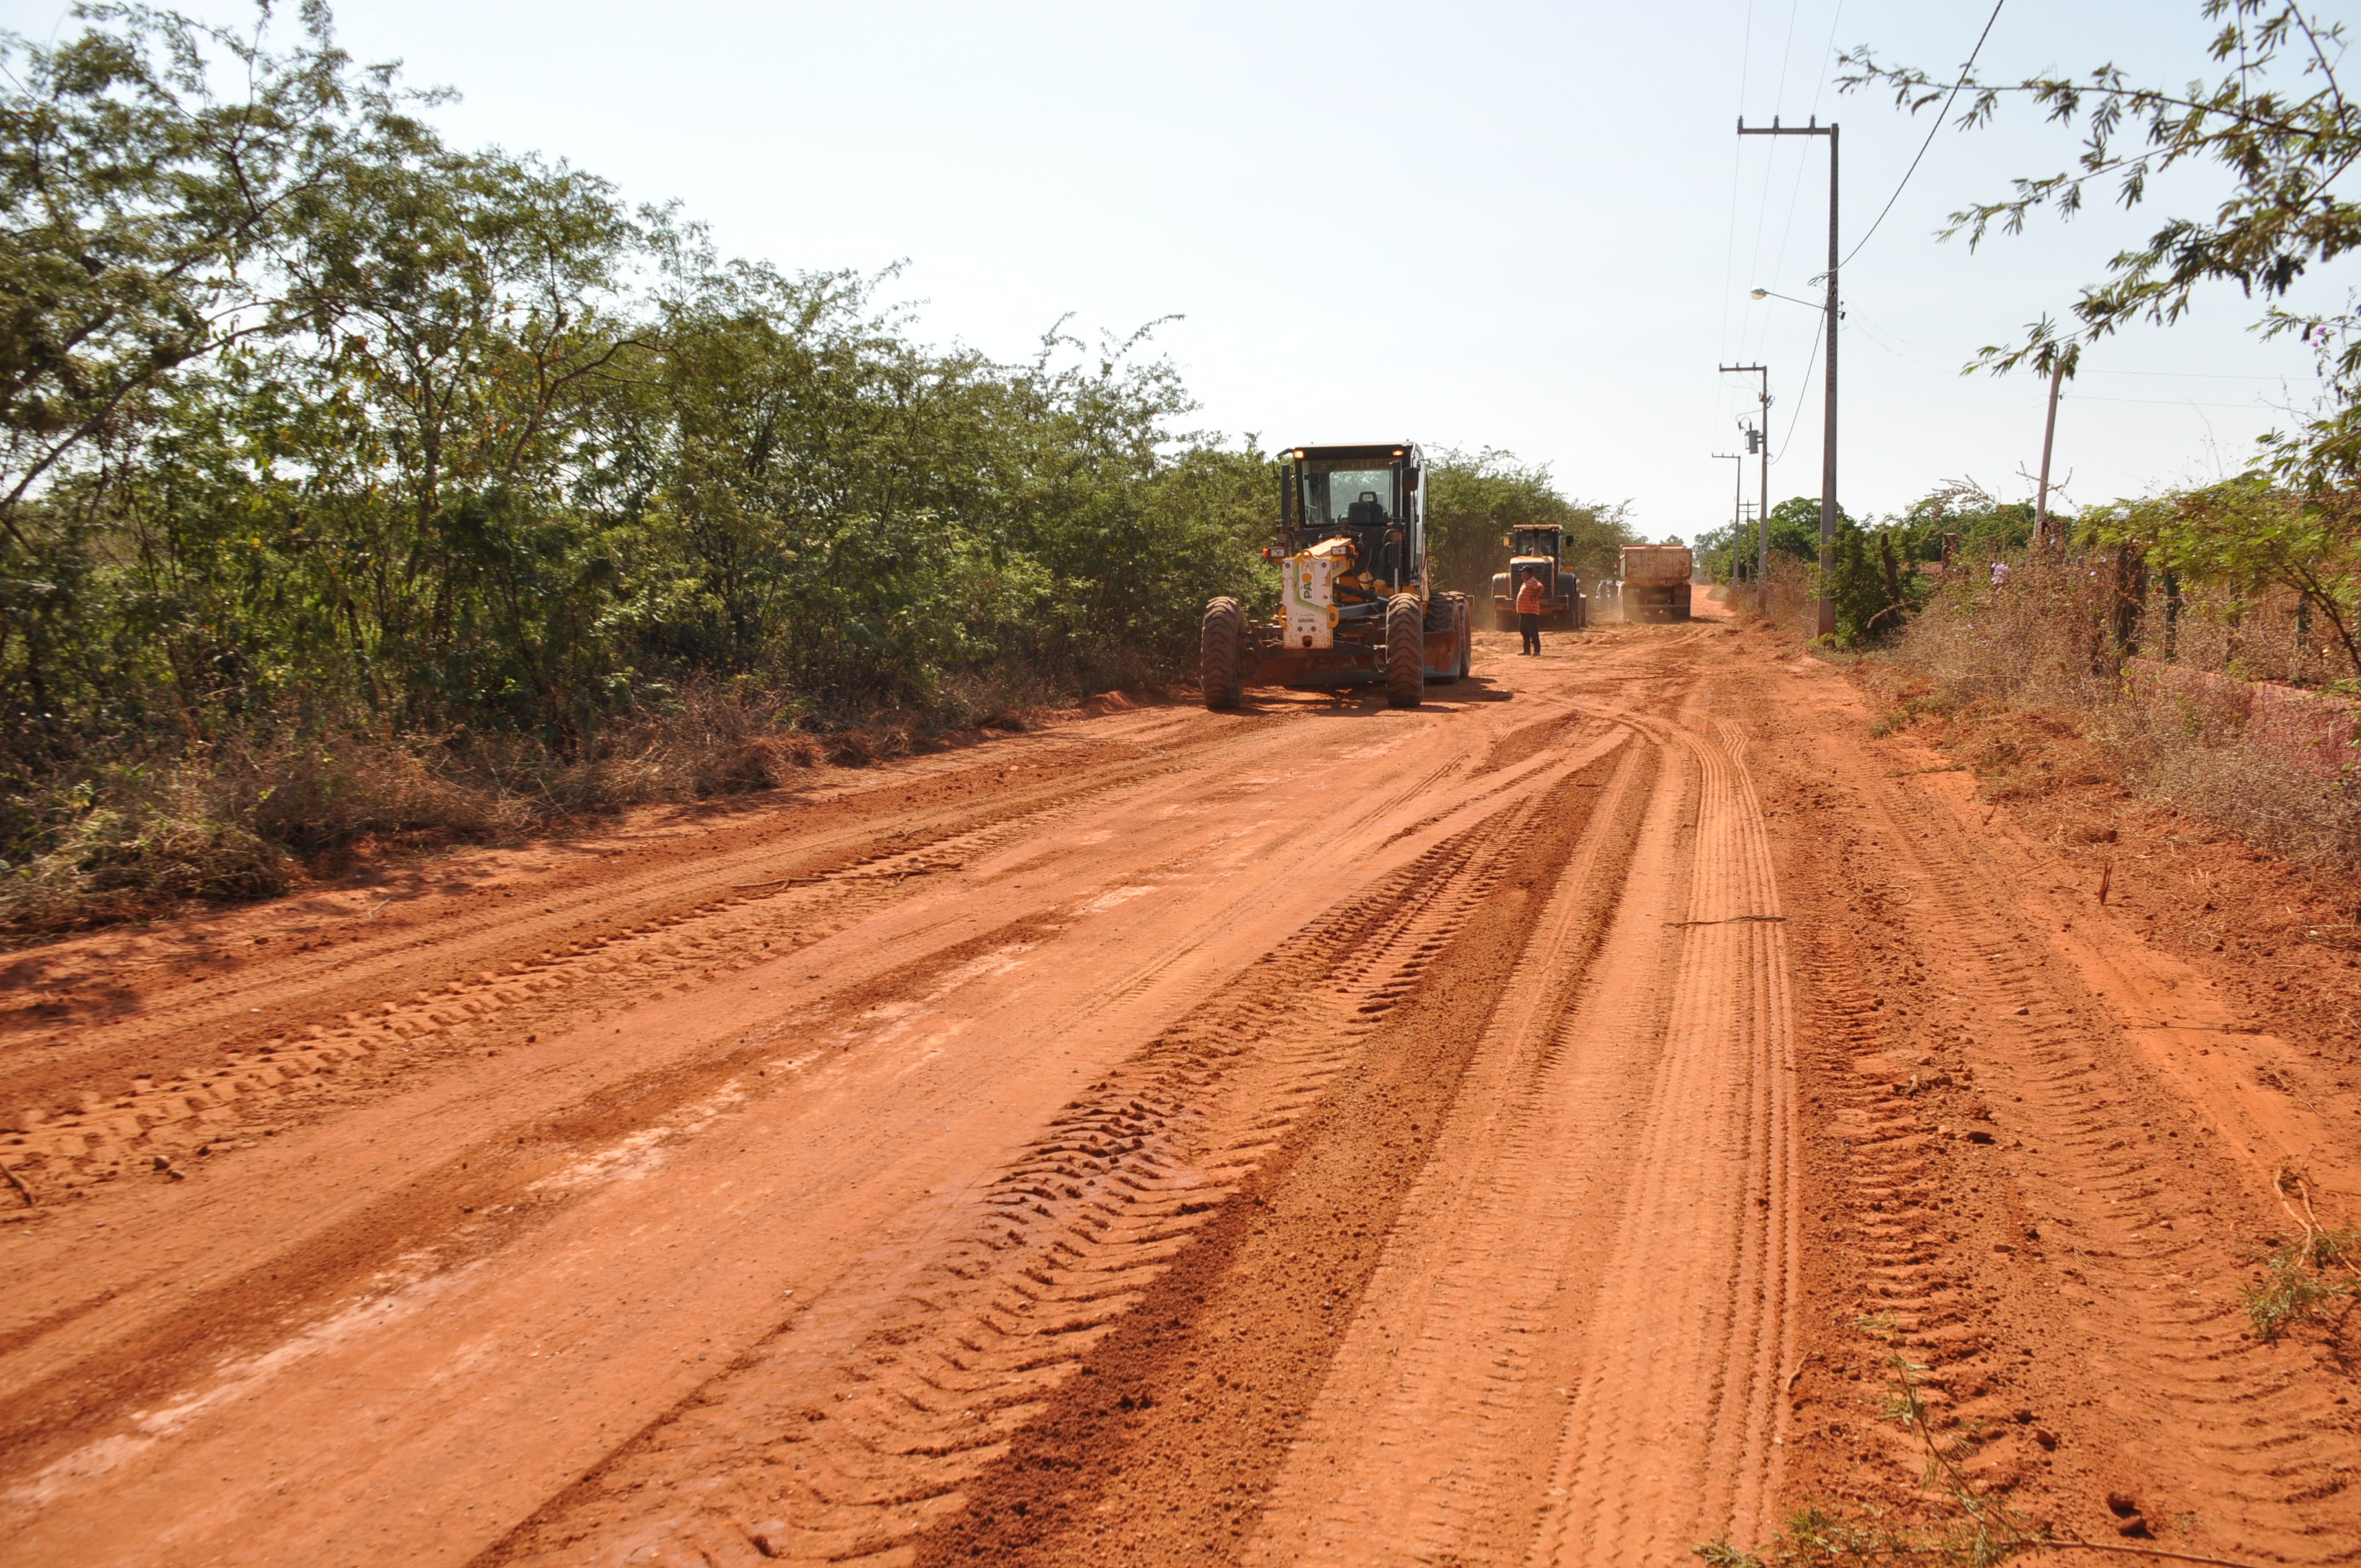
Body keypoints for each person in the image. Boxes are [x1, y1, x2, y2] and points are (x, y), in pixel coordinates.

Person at [1515, 565, 1544, 655]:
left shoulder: (1533, 581)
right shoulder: (1526, 582)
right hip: (1524, 612)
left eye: (1523, 572)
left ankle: (1537, 651)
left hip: (1530, 612)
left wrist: (1535, 596)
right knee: (1524, 631)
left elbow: (1541, 587)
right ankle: (1526, 651)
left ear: (1528, 573)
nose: (1522, 574)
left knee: (1532, 631)